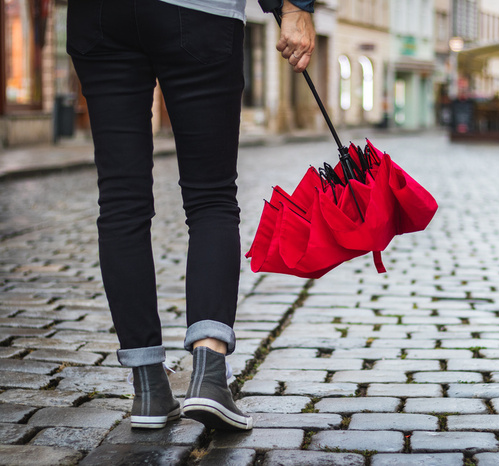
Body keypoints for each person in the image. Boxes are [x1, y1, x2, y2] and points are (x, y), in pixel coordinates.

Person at [66, 0, 315, 430]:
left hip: (99, 15)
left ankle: (149, 390)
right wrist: (294, 6)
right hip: (199, 13)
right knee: (211, 198)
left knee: (121, 199)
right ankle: (209, 376)